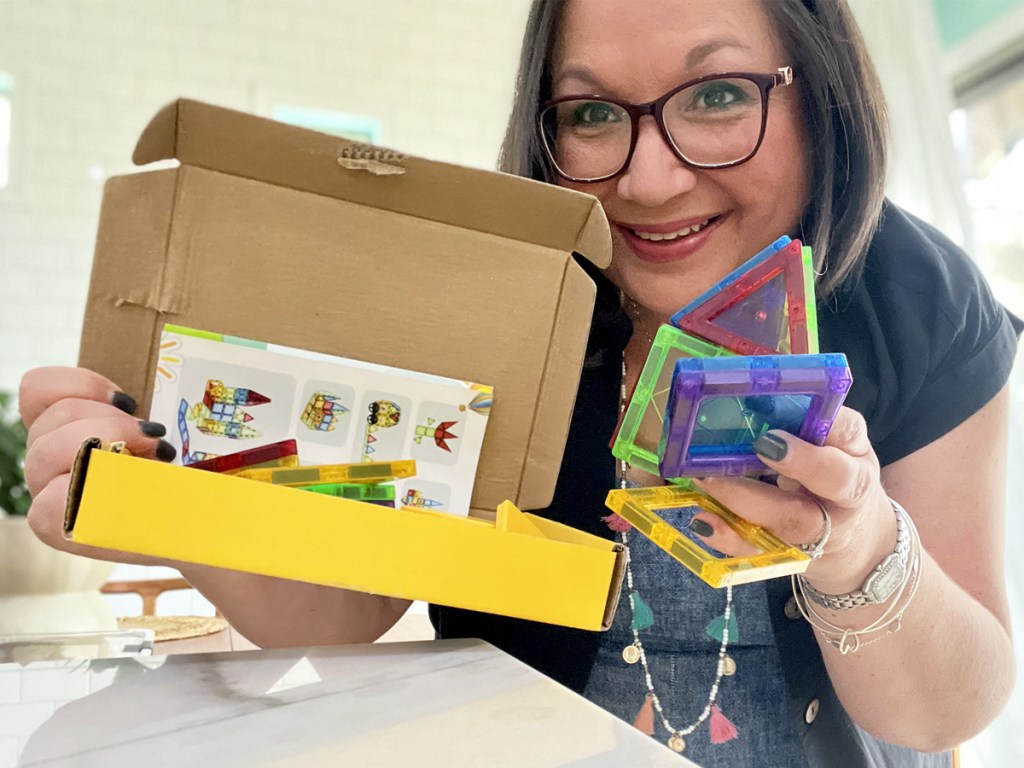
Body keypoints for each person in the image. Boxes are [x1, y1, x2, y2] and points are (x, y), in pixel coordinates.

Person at [17, 0, 1020, 765]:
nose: (648, 180)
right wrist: (164, 497)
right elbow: (342, 617)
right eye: (588, 114)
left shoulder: (913, 297)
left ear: (823, 90)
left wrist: (860, 548)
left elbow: (952, 703)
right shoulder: (487, 288)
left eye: (717, 96)